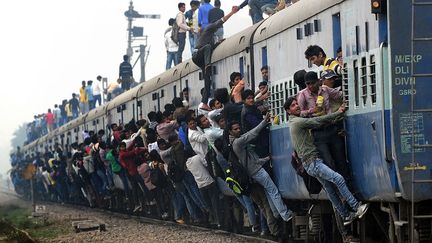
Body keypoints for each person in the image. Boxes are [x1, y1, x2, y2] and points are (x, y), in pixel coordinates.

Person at [284, 96, 369, 225]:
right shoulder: (298, 122)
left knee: (330, 189)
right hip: (313, 162)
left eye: (296, 104)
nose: (297, 106)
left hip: (309, 163)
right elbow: (319, 120)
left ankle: (346, 216)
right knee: (338, 179)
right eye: (293, 105)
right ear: (288, 111)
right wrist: (338, 113)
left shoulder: (294, 123)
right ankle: (356, 207)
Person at [228, 114, 293, 222]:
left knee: (269, 191)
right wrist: (264, 122)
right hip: (257, 171)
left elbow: (252, 160)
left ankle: (276, 213)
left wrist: (267, 159)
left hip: (254, 171)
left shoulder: (234, 142)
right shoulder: (238, 142)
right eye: (235, 129)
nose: (238, 130)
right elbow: (252, 134)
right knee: (273, 190)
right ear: (230, 131)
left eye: (239, 128)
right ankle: (286, 215)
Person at [192, 6, 239, 110]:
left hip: (200, 57)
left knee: (207, 80)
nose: (218, 28)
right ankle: (208, 65)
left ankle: (204, 103)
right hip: (199, 54)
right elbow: (221, 21)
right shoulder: (209, 28)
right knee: (208, 48)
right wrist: (232, 12)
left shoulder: (210, 37)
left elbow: (210, 47)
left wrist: (218, 43)